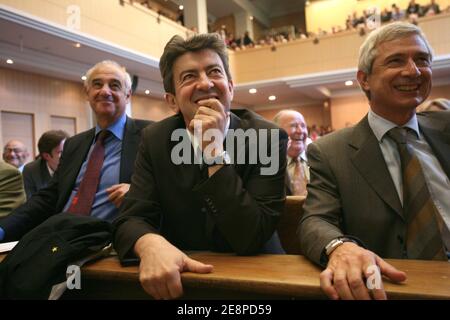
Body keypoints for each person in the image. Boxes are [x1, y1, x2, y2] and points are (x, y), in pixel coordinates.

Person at [113, 33, 288, 300]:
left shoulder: (268, 138)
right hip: (182, 279)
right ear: (172, 100)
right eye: (189, 77)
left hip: (258, 281)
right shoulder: (156, 139)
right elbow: (131, 218)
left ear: (230, 87)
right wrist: (149, 243)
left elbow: (251, 235)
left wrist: (213, 151)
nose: (205, 83)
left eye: (214, 72)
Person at [299, 22, 450, 300]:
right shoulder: (331, 151)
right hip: (391, 289)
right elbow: (316, 220)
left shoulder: (447, 128)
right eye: (395, 61)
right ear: (364, 79)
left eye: (422, 59)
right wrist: (340, 247)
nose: (413, 70)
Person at [0, 60, 151, 242]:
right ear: (87, 93)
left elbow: (173, 189)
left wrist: (138, 193)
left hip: (110, 244)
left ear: (127, 95)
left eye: (114, 85)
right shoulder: (74, 144)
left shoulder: (150, 136)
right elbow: (49, 197)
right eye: (97, 84)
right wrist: (3, 229)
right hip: (60, 239)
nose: (104, 91)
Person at [22, 130, 69, 199]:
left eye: (68, 149)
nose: (68, 154)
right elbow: (31, 202)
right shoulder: (31, 170)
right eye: (61, 152)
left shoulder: (77, 165)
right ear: (46, 156)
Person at [273, 110, 310, 196]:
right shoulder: (268, 164)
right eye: (294, 125)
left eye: (303, 126)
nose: (300, 131)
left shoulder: (319, 158)